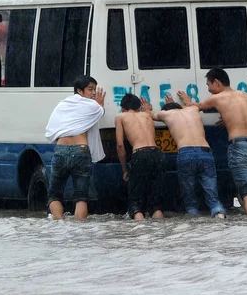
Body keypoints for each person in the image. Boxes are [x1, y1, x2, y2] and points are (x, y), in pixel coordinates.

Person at [177, 68, 247, 216]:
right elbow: (245, 115)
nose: (209, 90)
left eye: (208, 85)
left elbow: (194, 107)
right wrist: (228, 119)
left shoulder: (217, 98)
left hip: (240, 146)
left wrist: (186, 101)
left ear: (217, 82)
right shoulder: (245, 96)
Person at [141, 95, 225, 219]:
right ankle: (219, 214)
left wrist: (147, 108)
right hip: (205, 152)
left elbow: (150, 114)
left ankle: (192, 219)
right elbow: (188, 106)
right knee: (212, 195)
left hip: (186, 153)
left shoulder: (166, 115)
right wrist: (186, 101)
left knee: (190, 198)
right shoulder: (193, 110)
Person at [45, 76, 106, 220]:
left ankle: (60, 225)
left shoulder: (63, 105)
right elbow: (100, 112)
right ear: (79, 90)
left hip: (60, 151)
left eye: (95, 89)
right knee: (81, 197)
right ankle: (78, 234)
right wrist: (99, 104)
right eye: (90, 89)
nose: (93, 93)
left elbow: (51, 128)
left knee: (54, 195)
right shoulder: (92, 106)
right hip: (80, 151)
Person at [115, 93, 165, 220]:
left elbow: (120, 145)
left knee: (135, 203)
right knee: (156, 204)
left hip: (140, 154)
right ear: (139, 107)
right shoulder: (147, 115)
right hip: (157, 154)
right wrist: (148, 110)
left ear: (123, 108)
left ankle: (140, 235)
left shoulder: (121, 117)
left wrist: (125, 169)